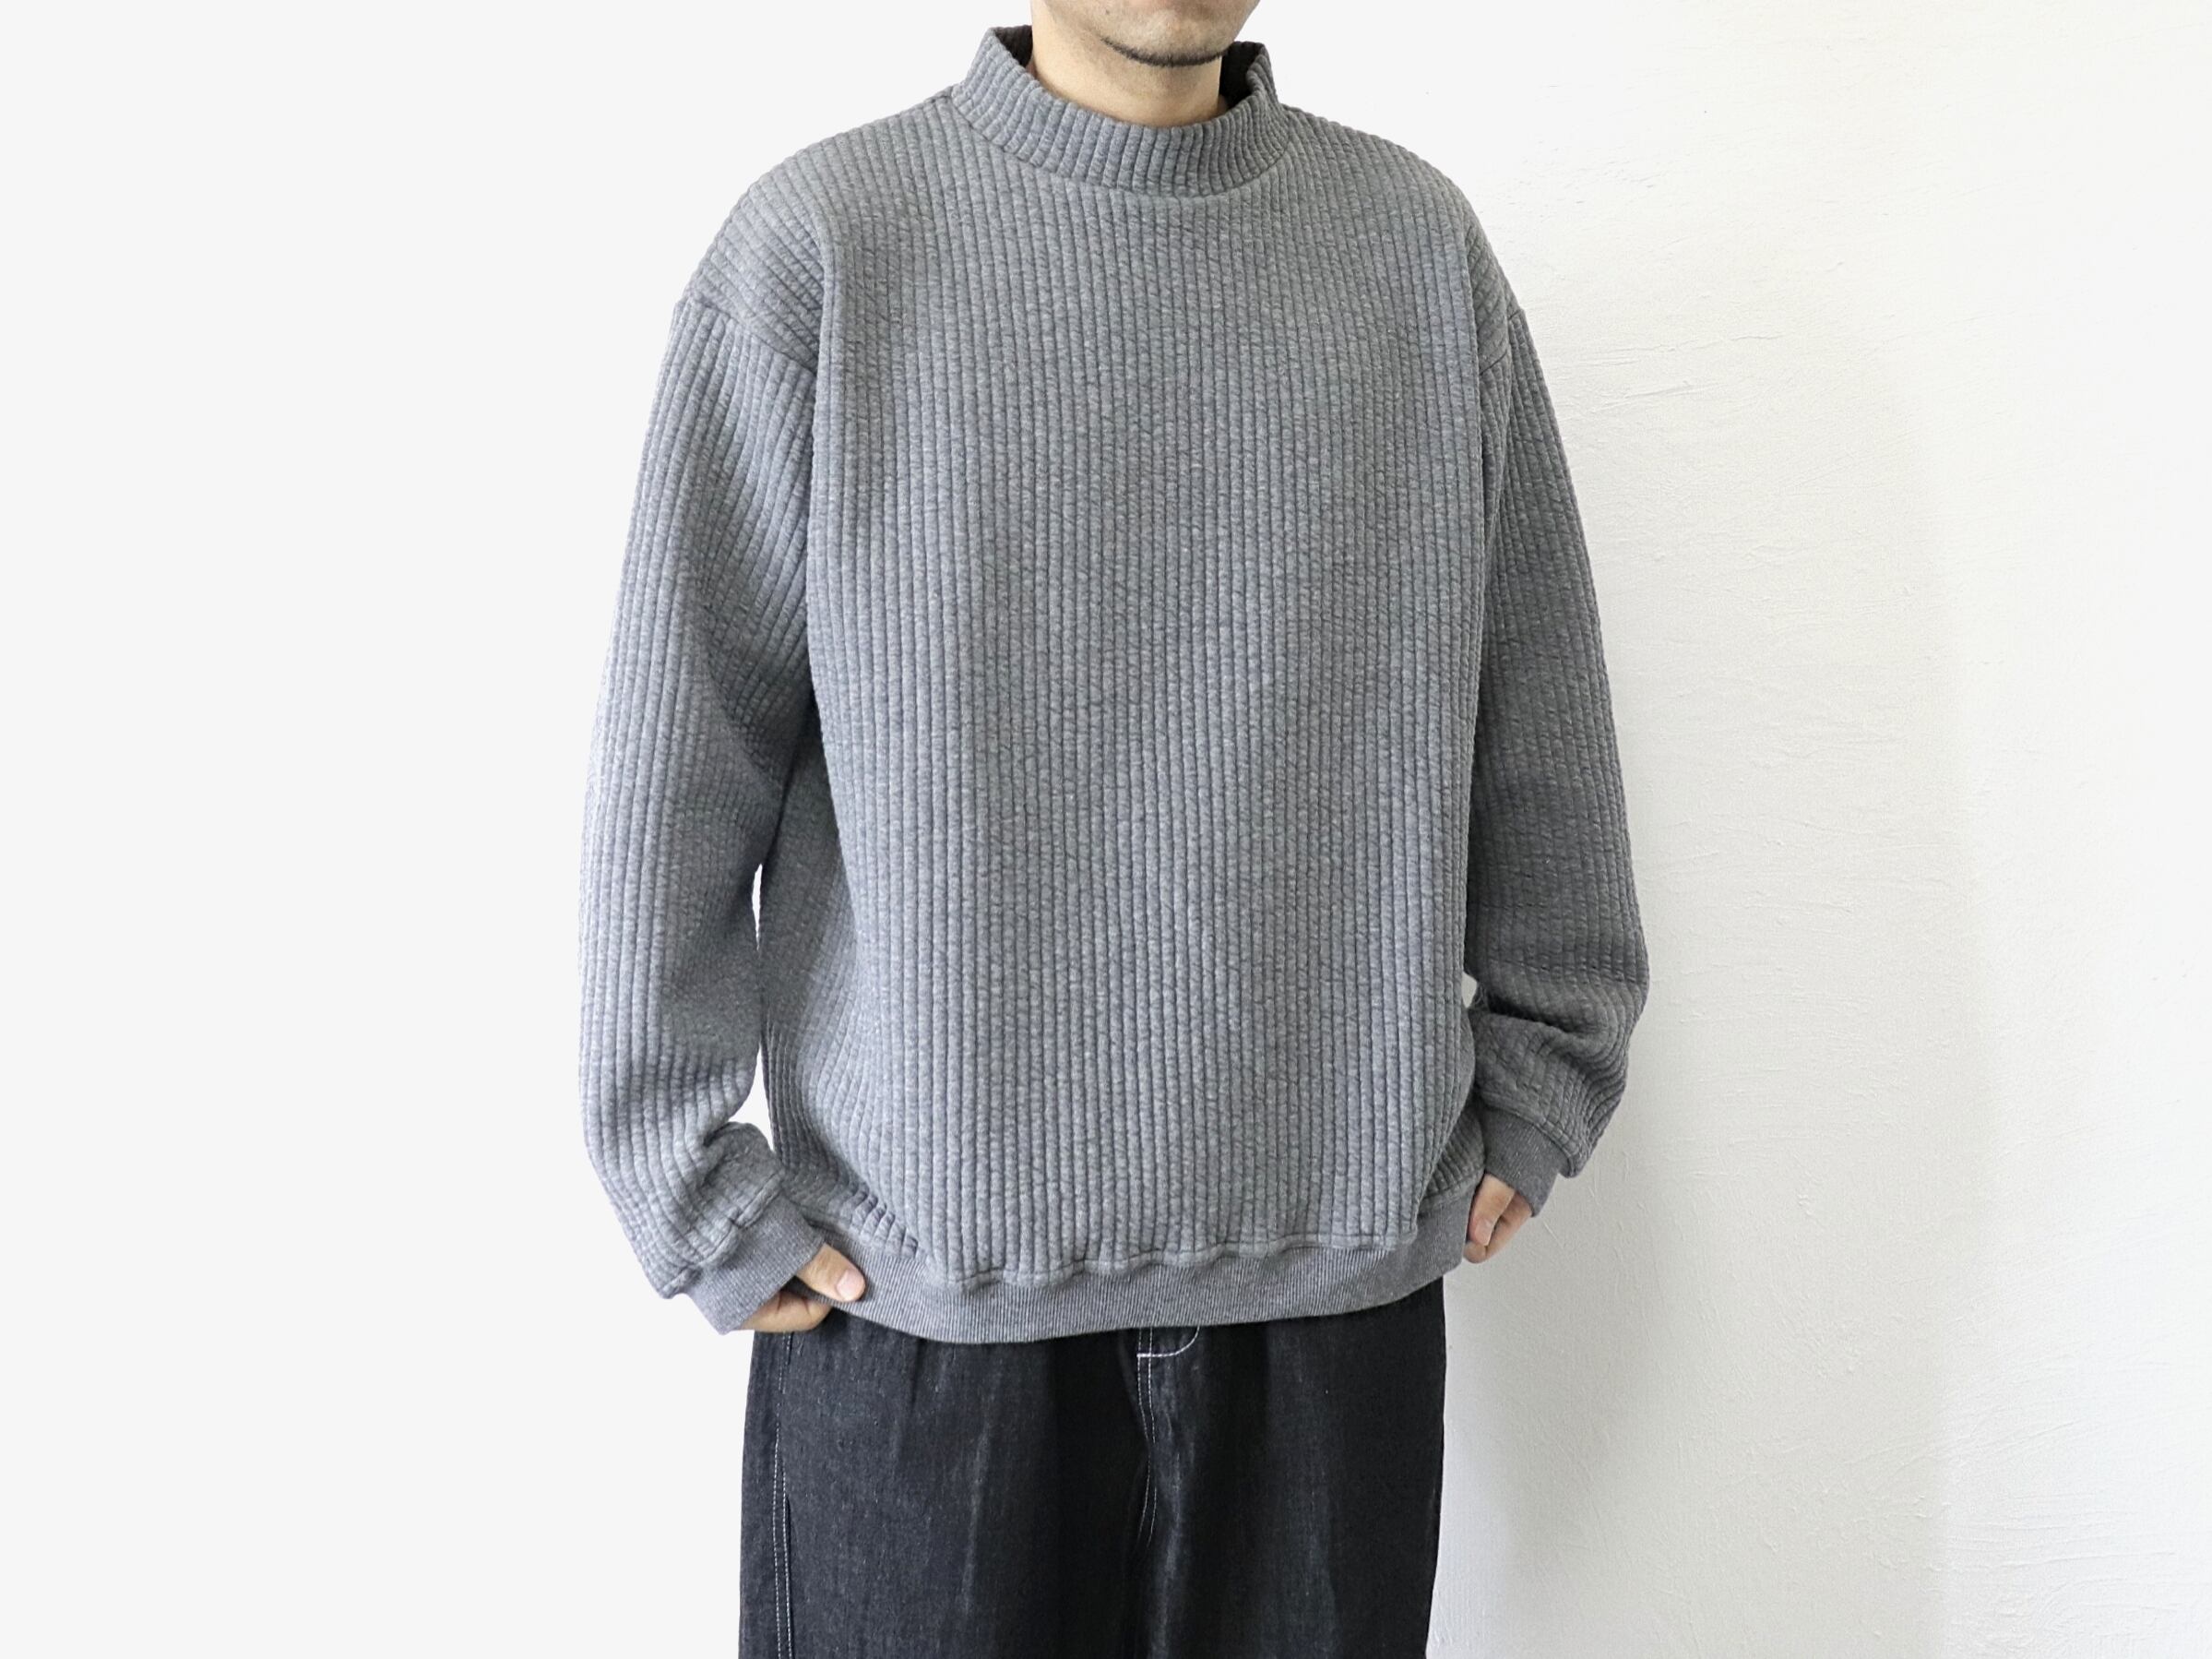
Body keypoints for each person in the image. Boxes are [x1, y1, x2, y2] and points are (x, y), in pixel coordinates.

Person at [576, 5, 1650, 1653]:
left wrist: (1548, 1065)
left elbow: (1537, 702)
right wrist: (682, 1174)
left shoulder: (1412, 255)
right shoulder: (824, 253)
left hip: (1332, 1313)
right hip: (917, 1317)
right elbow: (683, 748)